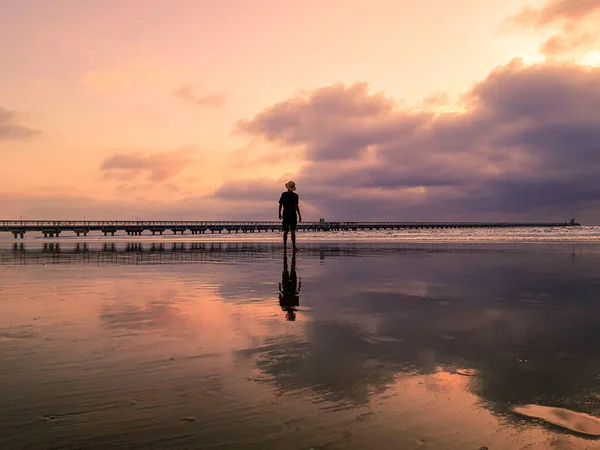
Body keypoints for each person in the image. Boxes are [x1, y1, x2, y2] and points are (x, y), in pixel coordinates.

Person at [278, 181, 302, 251]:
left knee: (285, 231)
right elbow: (296, 206)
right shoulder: (295, 196)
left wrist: (279, 213)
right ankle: (294, 247)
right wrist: (299, 215)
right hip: (293, 214)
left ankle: (285, 246)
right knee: (293, 231)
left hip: (285, 214)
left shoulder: (283, 194)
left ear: (287, 188)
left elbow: (280, 205)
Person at [278, 250, 301, 321]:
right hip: (291, 287)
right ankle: (289, 256)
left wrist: (279, 287)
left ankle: (288, 256)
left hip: (287, 287)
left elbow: (280, 295)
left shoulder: (285, 306)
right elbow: (297, 293)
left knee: (287, 269)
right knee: (289, 269)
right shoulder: (294, 305)